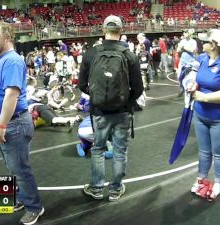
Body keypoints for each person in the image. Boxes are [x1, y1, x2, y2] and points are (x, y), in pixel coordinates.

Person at [0, 22, 44, 225]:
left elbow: (11, 96)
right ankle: (22, 198)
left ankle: (35, 207)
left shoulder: (13, 61)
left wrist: (1, 125)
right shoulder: (0, 60)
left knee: (20, 169)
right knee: (12, 166)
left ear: (7, 37)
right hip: (8, 124)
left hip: (14, 124)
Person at [78, 15, 143, 201]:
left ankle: (97, 188)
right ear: (121, 31)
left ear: (103, 29)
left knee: (98, 149)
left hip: (99, 112)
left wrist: (98, 97)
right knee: (120, 150)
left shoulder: (91, 54)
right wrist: (126, 102)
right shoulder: (129, 55)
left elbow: (82, 84)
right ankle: (115, 189)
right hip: (122, 112)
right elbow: (138, 88)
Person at [188, 29, 220, 201]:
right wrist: (192, 85)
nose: (200, 43)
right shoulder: (203, 59)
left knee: (219, 153)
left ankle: (218, 183)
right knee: (204, 152)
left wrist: (204, 97)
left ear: (213, 45)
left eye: (204, 41)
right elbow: (197, 79)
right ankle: (201, 179)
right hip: (201, 114)